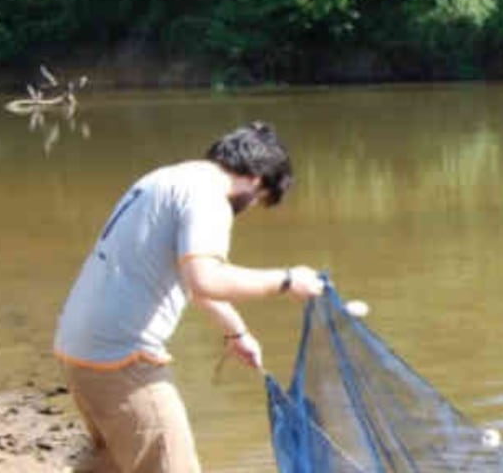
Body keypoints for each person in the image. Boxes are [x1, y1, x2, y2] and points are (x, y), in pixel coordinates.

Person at [53, 121, 324, 473]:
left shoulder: (168, 179)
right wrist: (287, 280)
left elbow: (186, 277)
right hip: (120, 358)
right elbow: (206, 279)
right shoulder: (209, 199)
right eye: (259, 200)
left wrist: (236, 332)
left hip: (77, 349)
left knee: (111, 462)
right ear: (256, 179)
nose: (250, 207)